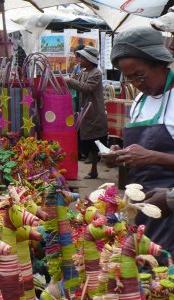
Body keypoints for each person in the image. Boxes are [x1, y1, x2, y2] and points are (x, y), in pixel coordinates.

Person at [104, 26, 174, 263]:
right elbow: (140, 148)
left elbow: (149, 154)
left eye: (139, 75)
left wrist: (152, 157)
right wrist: (120, 154)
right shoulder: (139, 102)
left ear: (159, 63)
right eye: (129, 77)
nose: (135, 83)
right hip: (145, 207)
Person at [66, 46, 108, 179]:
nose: (80, 60)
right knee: (87, 140)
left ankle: (94, 169)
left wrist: (70, 81)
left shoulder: (96, 73)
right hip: (85, 110)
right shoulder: (84, 72)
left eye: (82, 58)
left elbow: (87, 88)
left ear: (90, 60)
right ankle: (91, 167)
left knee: (95, 141)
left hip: (94, 112)